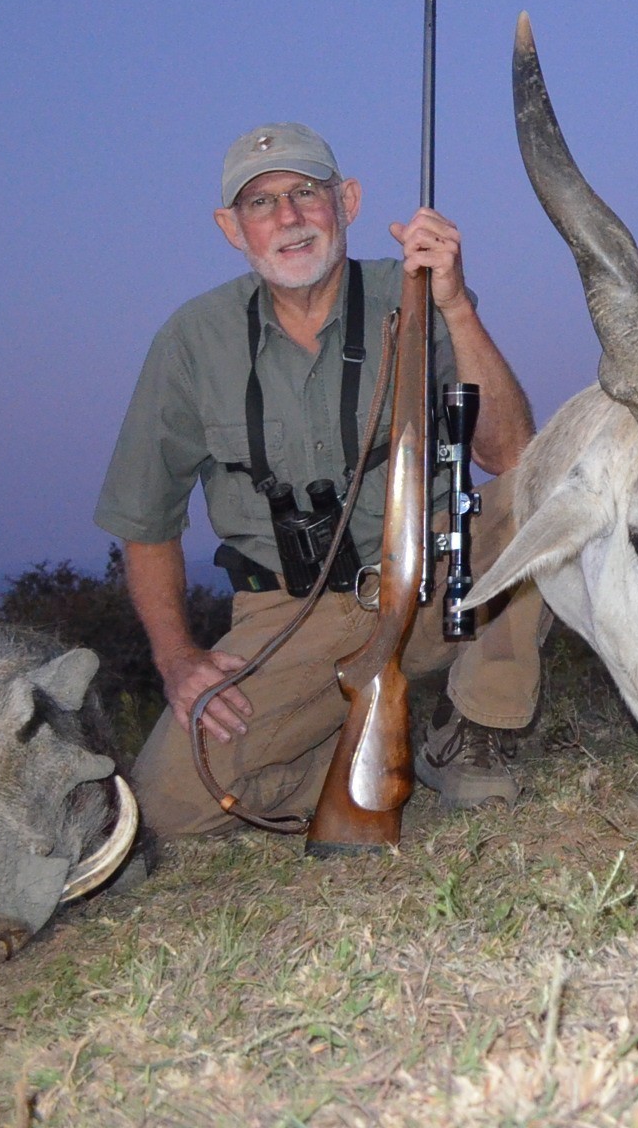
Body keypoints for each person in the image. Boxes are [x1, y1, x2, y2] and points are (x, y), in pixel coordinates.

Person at [97, 122, 545, 837]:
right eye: (261, 203)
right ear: (230, 227)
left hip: (433, 582)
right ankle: (363, 750)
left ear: (349, 201)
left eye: (306, 193)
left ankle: (474, 729)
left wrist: (456, 306)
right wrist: (178, 659)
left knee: (544, 495)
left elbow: (511, 453)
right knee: (167, 808)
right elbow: (143, 522)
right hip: (285, 616)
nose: (289, 218)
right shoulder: (192, 340)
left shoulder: (418, 292)